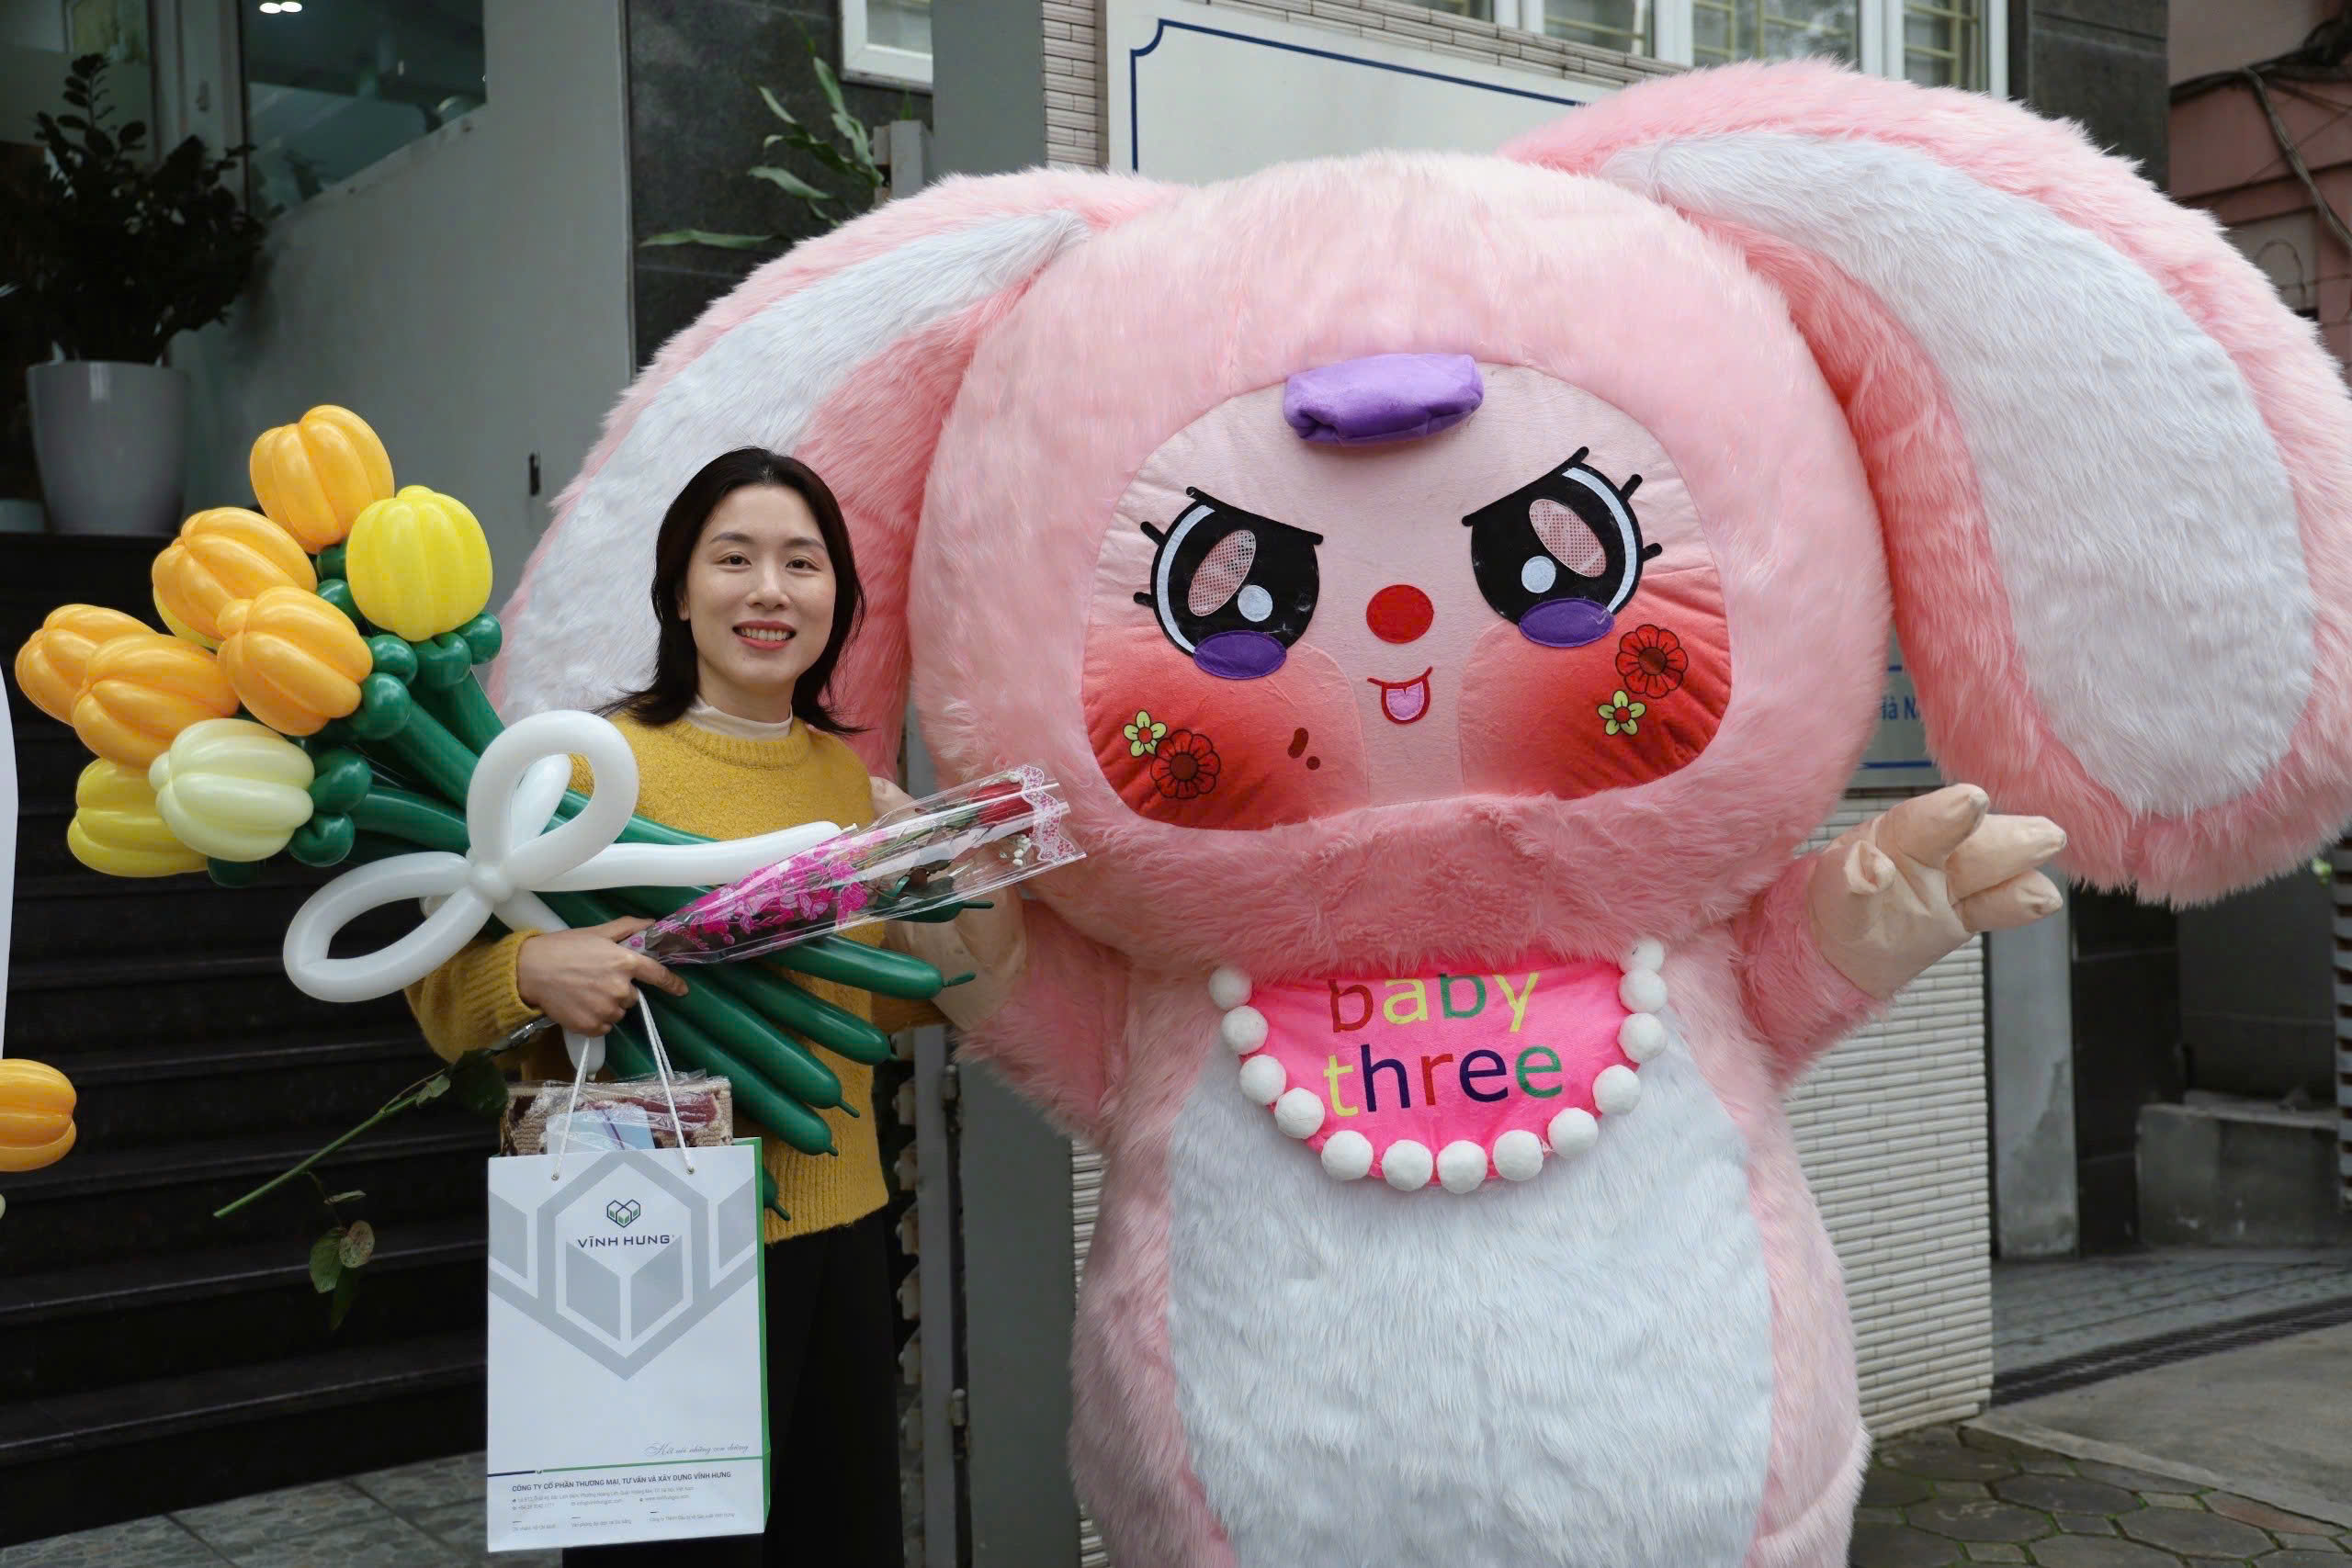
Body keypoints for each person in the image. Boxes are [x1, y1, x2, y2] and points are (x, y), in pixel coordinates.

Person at [407, 446, 1023, 1566]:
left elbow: (853, 1003)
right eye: (733, 559)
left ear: (838, 598)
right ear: (678, 592)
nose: (768, 591)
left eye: (802, 563)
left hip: (838, 1227)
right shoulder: (592, 769)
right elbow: (439, 990)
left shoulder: (849, 784)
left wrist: (967, 909)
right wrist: (530, 970)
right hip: (647, 1242)